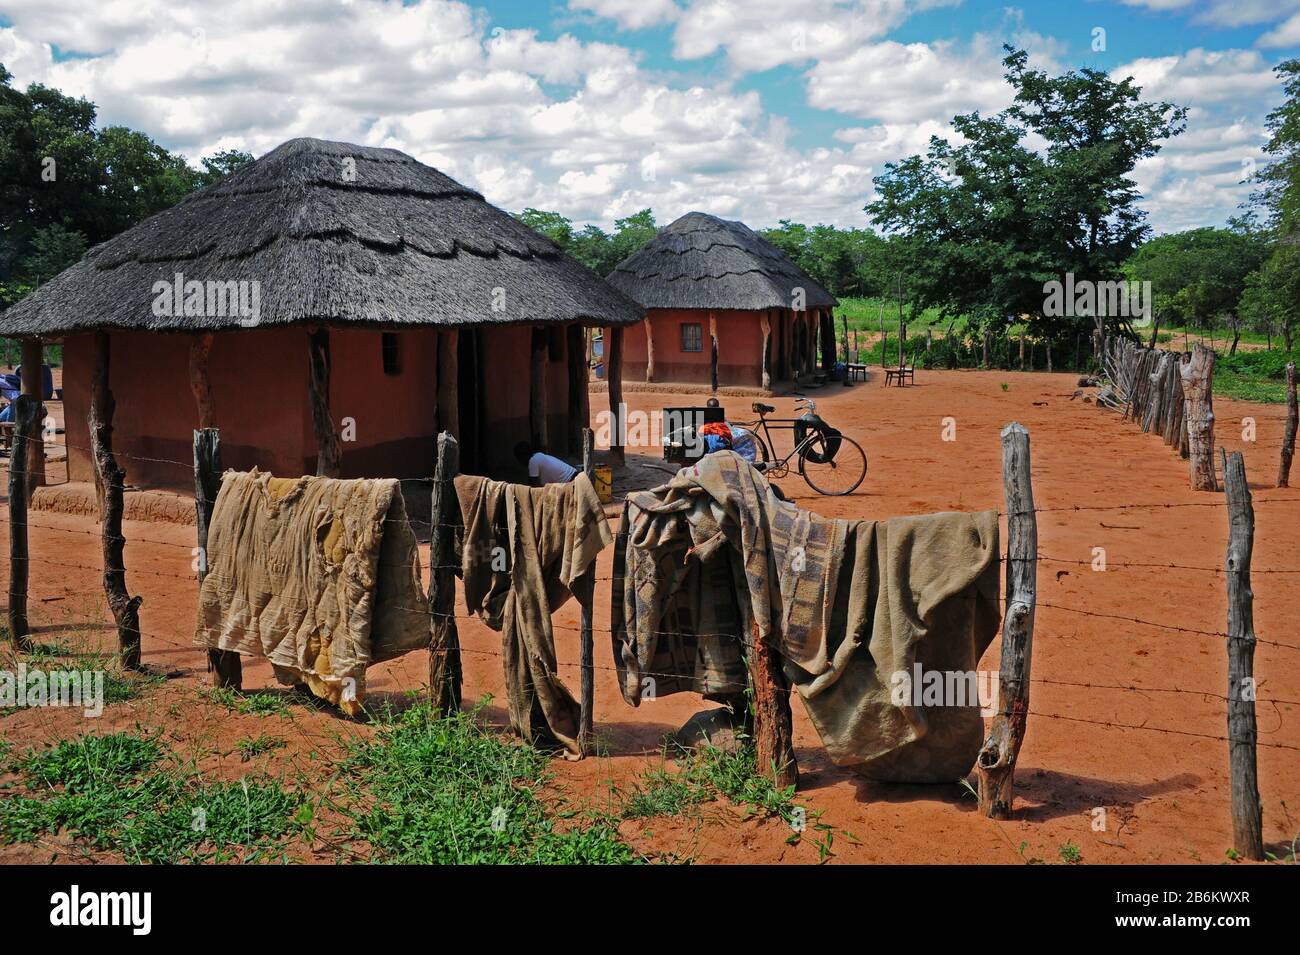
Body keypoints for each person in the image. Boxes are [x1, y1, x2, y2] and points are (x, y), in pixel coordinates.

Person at [514, 441, 578, 486]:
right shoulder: (538, 456)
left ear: (522, 457)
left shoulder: (533, 461)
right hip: (574, 477)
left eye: (519, 459)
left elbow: (531, 486)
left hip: (571, 482)